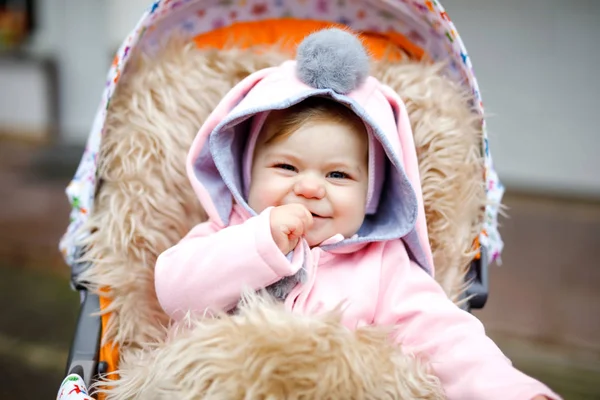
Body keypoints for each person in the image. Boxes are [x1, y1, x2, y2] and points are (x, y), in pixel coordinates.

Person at [154, 28, 559, 400]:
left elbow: (448, 338)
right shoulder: (224, 233)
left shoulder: (383, 266)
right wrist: (260, 242)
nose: (310, 188)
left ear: (371, 194)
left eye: (337, 174)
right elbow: (175, 293)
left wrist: (513, 392)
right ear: (246, 173)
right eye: (286, 168)